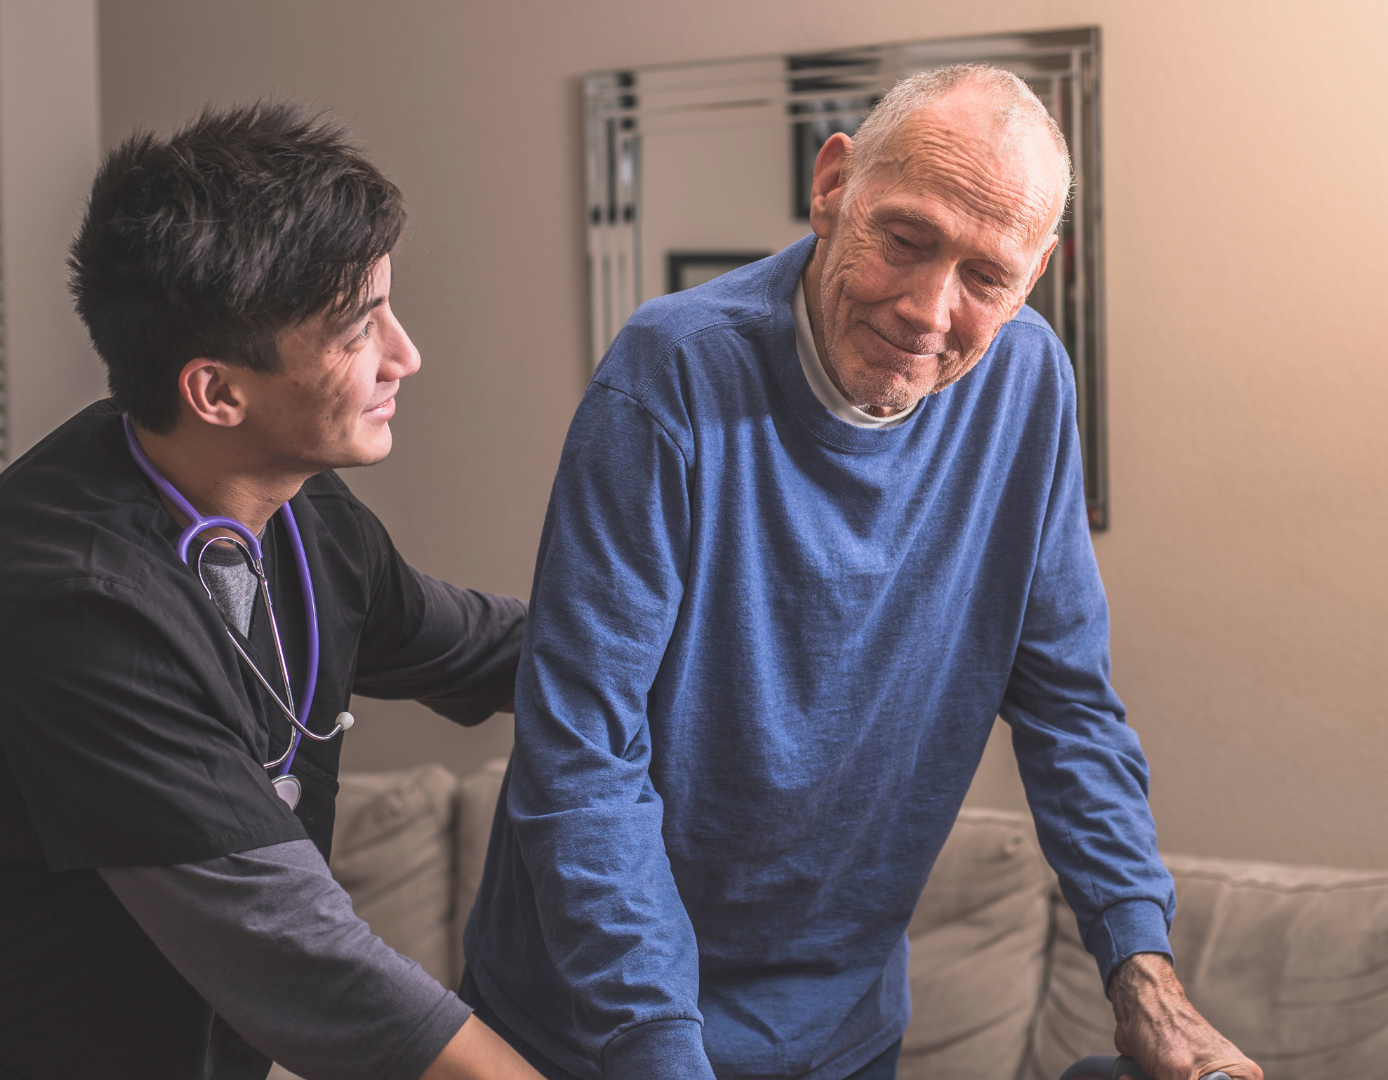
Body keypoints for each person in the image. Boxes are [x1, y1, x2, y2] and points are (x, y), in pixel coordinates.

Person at [463, 65, 1262, 1080]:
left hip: (837, 1032)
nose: (930, 310)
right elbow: (581, 757)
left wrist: (1144, 975)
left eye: (987, 277)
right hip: (592, 1029)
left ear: (1037, 272)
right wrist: (660, 1052)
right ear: (834, 183)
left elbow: (1069, 705)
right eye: (907, 240)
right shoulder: (671, 373)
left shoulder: (1025, 383)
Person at [0, 104, 541, 1080]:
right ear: (216, 392)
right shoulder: (69, 601)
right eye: (358, 327)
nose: (404, 355)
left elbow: (489, 647)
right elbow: (309, 965)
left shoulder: (305, 513)